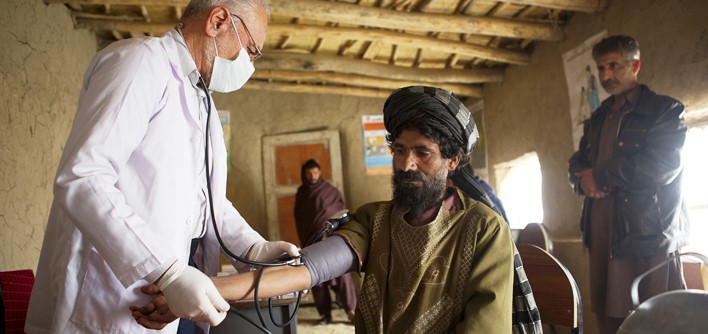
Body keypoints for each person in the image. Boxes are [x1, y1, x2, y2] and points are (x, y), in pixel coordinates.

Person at [134, 86, 521, 333]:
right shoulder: (376, 219)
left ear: (453, 161)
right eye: (400, 150)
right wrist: (192, 292)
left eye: (423, 153)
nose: (405, 164)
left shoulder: (484, 230)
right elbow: (304, 271)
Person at [25, 1, 299, 333]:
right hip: (108, 299)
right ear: (218, 21)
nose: (250, 64)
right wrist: (166, 271)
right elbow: (83, 177)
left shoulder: (202, 101)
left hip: (169, 298)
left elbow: (206, 202)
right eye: (251, 50)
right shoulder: (140, 63)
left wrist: (252, 248)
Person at [568, 35, 689, 334]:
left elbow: (663, 165)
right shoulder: (596, 118)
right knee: (609, 319)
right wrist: (584, 181)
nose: (606, 75)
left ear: (634, 65)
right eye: (601, 68)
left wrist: (602, 176)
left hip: (647, 233)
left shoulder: (665, 110)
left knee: (657, 318)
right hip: (602, 233)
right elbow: (578, 161)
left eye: (614, 66)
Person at [294, 159, 357, 324]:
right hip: (313, 240)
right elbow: (300, 218)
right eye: (309, 173)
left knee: (342, 275)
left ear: (320, 172)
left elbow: (339, 211)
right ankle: (325, 314)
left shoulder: (330, 191)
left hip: (331, 239)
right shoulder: (302, 194)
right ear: (304, 174)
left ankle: (351, 311)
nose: (313, 176)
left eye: (315, 172)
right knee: (316, 276)